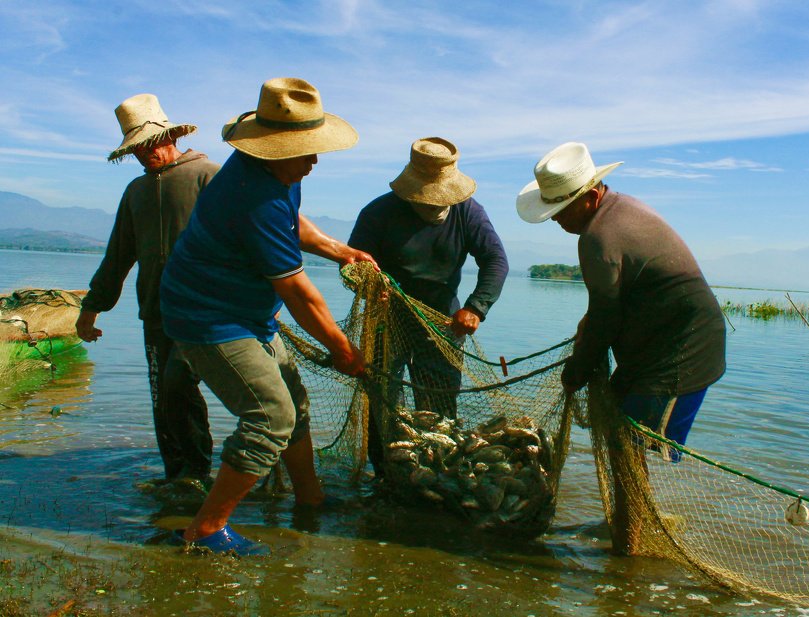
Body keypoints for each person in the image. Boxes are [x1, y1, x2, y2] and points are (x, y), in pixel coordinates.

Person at [159, 77, 375, 555]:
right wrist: (342, 349)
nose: (314, 160)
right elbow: (298, 292)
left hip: (245, 311)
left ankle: (310, 498)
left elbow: (292, 222)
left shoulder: (272, 175)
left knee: (293, 400)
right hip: (208, 318)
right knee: (270, 415)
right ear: (274, 149)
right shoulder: (252, 195)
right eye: (305, 151)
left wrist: (339, 250)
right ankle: (206, 529)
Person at [516, 142, 726, 551]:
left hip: (681, 352)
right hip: (653, 345)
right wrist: (587, 341)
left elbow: (605, 318)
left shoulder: (598, 237)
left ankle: (628, 544)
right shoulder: (621, 209)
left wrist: (576, 370)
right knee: (622, 440)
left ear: (591, 196)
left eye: (562, 208)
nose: (557, 219)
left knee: (626, 443)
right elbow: (606, 307)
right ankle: (633, 530)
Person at [76, 94, 218, 485]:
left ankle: (199, 470)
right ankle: (178, 476)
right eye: (136, 149)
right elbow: (118, 255)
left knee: (177, 385)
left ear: (169, 137)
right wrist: (92, 306)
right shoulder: (135, 192)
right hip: (155, 312)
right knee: (162, 396)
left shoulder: (208, 176)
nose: (145, 154)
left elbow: (245, 239)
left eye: (149, 144)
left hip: (205, 313)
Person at [348, 137, 509, 472]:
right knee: (384, 406)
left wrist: (476, 307)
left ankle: (435, 476)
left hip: (442, 325)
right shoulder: (378, 212)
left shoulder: (468, 212)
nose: (435, 206)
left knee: (438, 414)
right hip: (384, 321)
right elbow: (350, 266)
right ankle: (386, 476)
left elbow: (495, 260)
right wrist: (367, 286)